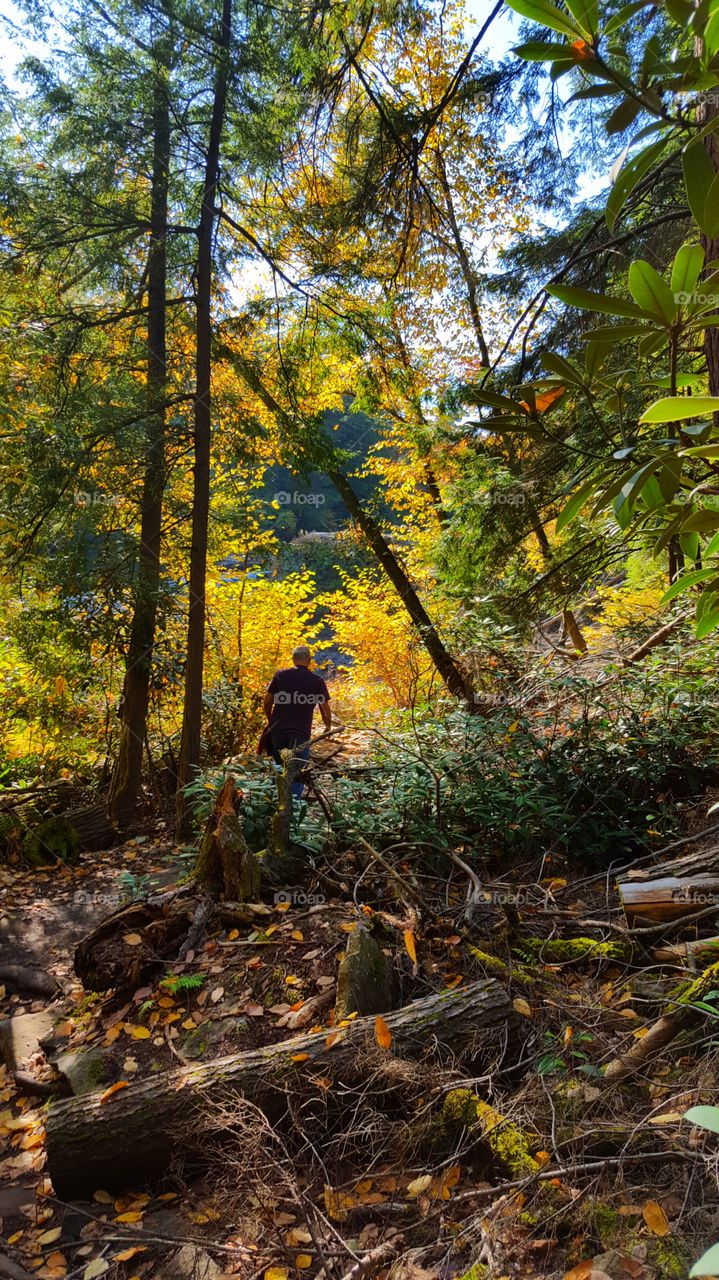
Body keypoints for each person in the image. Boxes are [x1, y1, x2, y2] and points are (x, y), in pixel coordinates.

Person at [263, 645, 331, 799]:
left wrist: (270, 720)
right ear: (309, 660)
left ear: (293, 659)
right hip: (300, 732)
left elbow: (267, 701)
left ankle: (274, 802)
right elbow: (325, 707)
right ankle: (293, 807)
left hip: (278, 730)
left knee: (279, 765)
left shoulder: (280, 675)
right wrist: (328, 726)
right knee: (297, 769)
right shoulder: (317, 681)